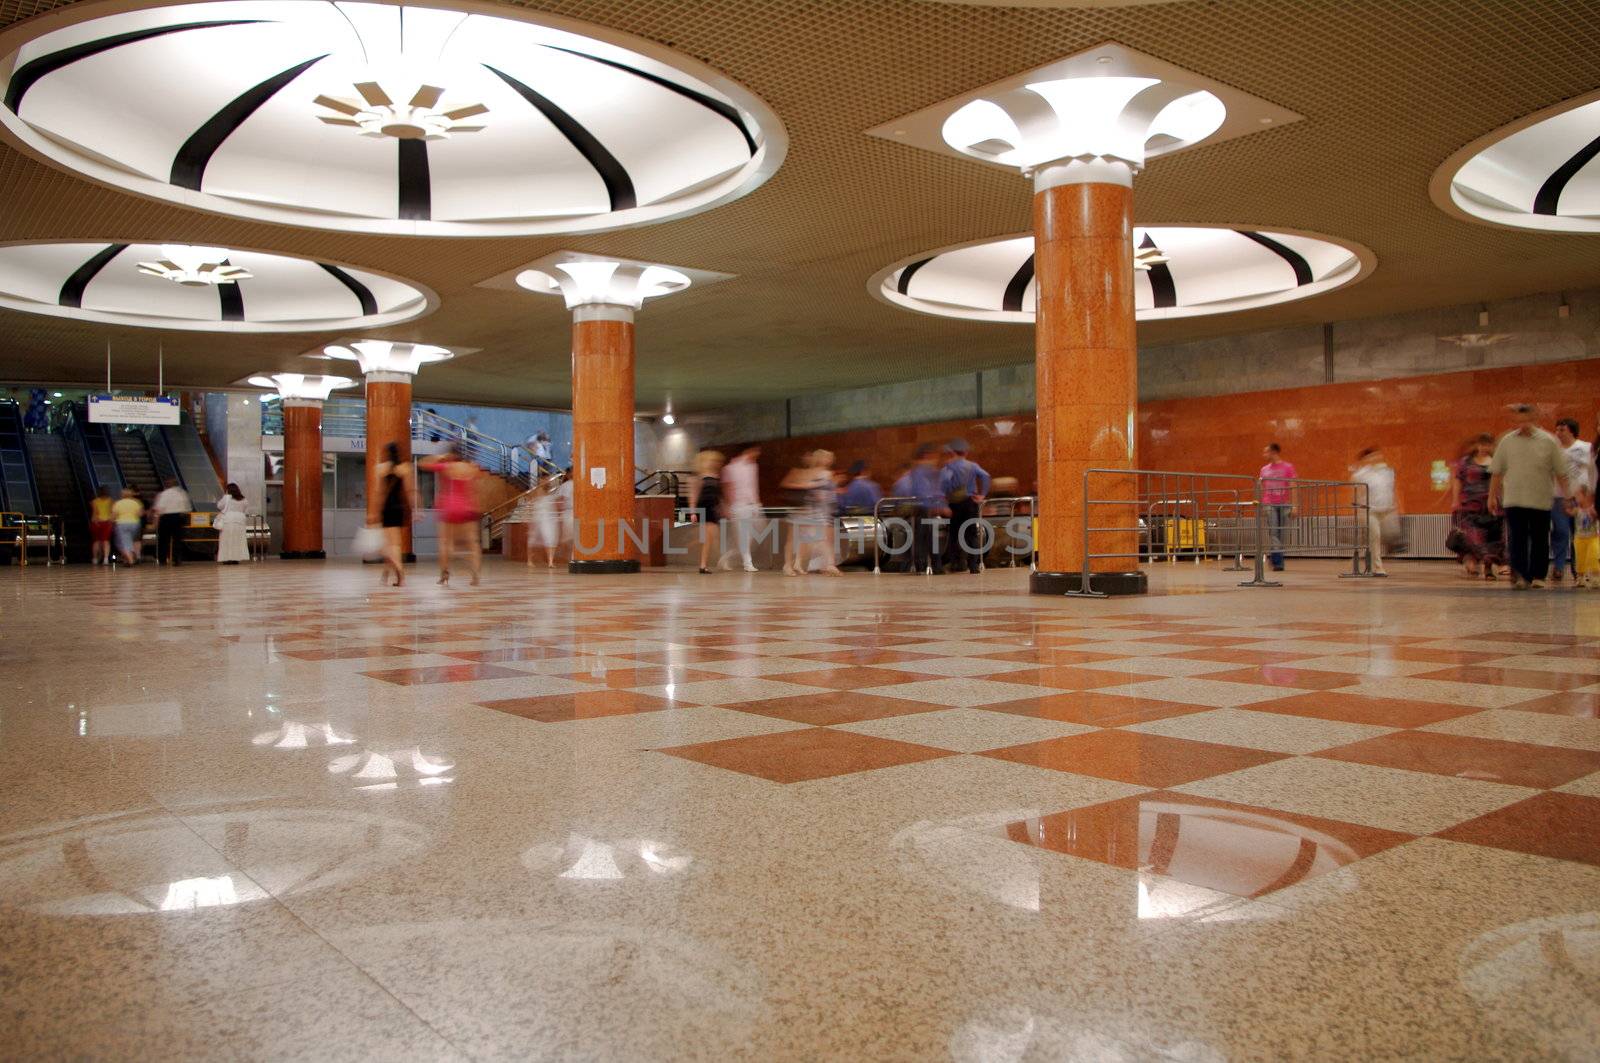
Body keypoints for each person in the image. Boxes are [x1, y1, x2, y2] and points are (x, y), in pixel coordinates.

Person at [1489, 404, 1571, 590]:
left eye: (1526, 420)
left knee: (1540, 538)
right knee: (1517, 539)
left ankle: (1538, 576)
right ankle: (1520, 575)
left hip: (1540, 498)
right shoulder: (1507, 441)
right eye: (1519, 421)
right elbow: (1496, 471)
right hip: (1514, 498)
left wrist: (1567, 496)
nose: (1522, 424)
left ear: (1535, 419)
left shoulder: (1549, 441)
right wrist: (1492, 496)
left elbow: (1560, 472)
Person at [422, 443, 483, 586]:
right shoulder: (472, 468)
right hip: (468, 507)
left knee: (445, 543)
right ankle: (475, 574)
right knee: (473, 543)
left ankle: (444, 573)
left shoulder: (447, 467)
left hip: (449, 507)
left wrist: (440, 457)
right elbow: (476, 489)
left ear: (451, 454)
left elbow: (423, 463)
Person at [1449, 434, 1504, 579]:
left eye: (1488, 445)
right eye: (1482, 444)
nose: (1485, 448)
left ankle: (1488, 567)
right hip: (1470, 506)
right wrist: (1455, 500)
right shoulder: (1465, 462)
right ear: (1477, 445)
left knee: (1492, 540)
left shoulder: (1496, 462)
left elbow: (1502, 482)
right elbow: (1458, 481)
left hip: (1492, 506)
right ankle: (1475, 560)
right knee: (1474, 538)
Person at [781, 450, 841, 576]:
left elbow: (820, 492)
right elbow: (788, 484)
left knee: (813, 538)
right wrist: (805, 486)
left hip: (810, 511)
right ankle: (787, 565)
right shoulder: (797, 471)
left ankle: (827, 564)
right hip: (798, 509)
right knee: (792, 539)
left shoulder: (821, 473)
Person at [1550, 418, 1592, 583]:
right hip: (1559, 497)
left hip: (1581, 497)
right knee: (1560, 531)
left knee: (1581, 534)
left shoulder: (1585, 448)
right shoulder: (1553, 449)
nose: (1558, 433)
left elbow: (1592, 469)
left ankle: (1579, 570)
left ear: (1572, 431)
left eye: (1562, 430)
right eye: (1557, 430)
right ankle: (1559, 566)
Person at [941, 439, 992, 574]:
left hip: (954, 504)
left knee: (954, 534)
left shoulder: (948, 467)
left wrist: (945, 496)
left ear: (952, 452)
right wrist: (982, 494)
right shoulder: (972, 466)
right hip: (970, 502)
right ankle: (973, 566)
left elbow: (944, 482)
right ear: (966, 452)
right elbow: (986, 476)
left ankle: (956, 563)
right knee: (971, 534)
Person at [1350, 447, 1400, 576]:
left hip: (1386, 509)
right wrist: (1358, 507)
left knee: (1389, 535)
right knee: (1375, 537)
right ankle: (1378, 567)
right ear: (1365, 459)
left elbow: (1391, 490)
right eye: (1371, 456)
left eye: (1376, 455)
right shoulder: (1361, 474)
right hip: (1369, 510)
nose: (1375, 458)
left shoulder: (1387, 472)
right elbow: (1355, 490)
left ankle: (1366, 555)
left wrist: (1394, 505)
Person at [374, 441, 416, 587]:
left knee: (387, 545)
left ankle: (400, 571)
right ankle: (386, 573)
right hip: (399, 508)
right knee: (395, 544)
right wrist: (414, 510)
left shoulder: (381, 468)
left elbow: (380, 493)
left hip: (387, 508)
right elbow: (410, 491)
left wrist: (375, 512)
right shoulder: (405, 468)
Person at [719, 446, 763, 573]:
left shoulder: (753, 466)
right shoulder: (730, 468)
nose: (756, 455)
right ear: (747, 451)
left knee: (754, 535)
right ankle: (747, 563)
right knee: (744, 536)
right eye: (755, 451)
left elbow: (753, 486)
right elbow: (727, 488)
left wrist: (757, 503)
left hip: (752, 505)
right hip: (739, 506)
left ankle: (727, 556)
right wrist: (729, 506)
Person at [907, 443, 948, 575]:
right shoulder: (920, 472)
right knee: (924, 538)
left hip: (926, 508)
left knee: (929, 538)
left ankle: (934, 565)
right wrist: (936, 506)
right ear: (926, 455)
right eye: (933, 455)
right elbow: (922, 492)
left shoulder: (928, 472)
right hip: (922, 509)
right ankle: (924, 565)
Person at [1259, 443, 1297, 572]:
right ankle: (1278, 562)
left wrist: (1294, 505)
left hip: (1284, 502)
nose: (1264, 455)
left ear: (1273, 452)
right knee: (1274, 531)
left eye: (1266, 452)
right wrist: (1263, 505)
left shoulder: (1288, 467)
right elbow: (1262, 488)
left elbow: (1293, 486)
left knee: (1282, 533)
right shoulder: (1264, 469)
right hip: (1270, 503)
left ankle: (1275, 556)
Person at [689, 450, 725, 574]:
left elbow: (719, 495)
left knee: (710, 538)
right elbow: (693, 495)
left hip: (713, 508)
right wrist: (693, 512)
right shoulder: (699, 476)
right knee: (709, 537)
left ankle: (703, 564)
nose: (715, 463)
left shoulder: (716, 475)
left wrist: (722, 508)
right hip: (703, 508)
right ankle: (703, 564)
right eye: (713, 460)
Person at [151, 478, 192, 566]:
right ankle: (177, 559)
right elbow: (187, 508)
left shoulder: (164, 494)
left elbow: (159, 508)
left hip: (166, 518)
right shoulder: (182, 493)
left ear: (166, 485)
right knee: (178, 539)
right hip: (179, 517)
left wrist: (156, 520)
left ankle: (162, 560)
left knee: (163, 540)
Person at [527, 473, 564, 570]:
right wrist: (530, 518)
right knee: (533, 540)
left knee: (551, 539)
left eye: (547, 479)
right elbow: (531, 504)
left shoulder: (551, 491)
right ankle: (529, 559)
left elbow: (554, 504)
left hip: (550, 518)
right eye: (544, 479)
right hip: (538, 517)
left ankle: (550, 561)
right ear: (540, 480)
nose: (546, 481)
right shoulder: (536, 491)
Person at [214, 482, 249, 564]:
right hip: (240, 521)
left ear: (228, 490)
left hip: (228, 520)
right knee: (238, 541)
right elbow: (246, 510)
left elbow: (219, 506)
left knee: (226, 540)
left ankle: (227, 559)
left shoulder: (226, 497)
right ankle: (236, 559)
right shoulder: (243, 499)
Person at [1571, 485, 1598, 590]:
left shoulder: (1593, 508)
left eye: (1578, 495)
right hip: (1580, 538)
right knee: (1580, 558)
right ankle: (1580, 577)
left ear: (1586, 496)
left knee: (1593, 557)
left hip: (1592, 537)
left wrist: (1594, 513)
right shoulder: (1577, 509)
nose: (1576, 498)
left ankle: (1595, 577)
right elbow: (1569, 512)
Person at [111, 487, 143, 566]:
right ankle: (129, 558)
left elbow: (113, 516)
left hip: (122, 524)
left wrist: (111, 521)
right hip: (135, 524)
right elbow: (140, 514)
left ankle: (130, 560)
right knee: (129, 542)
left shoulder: (118, 503)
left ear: (122, 495)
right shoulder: (135, 503)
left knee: (121, 543)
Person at [88, 485, 113, 566]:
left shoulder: (94, 501)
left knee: (96, 541)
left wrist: (95, 521)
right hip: (106, 522)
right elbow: (111, 512)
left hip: (96, 522)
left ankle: (95, 558)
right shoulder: (111, 501)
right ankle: (105, 559)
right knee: (106, 541)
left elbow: (95, 513)